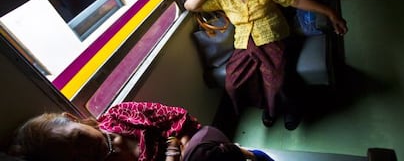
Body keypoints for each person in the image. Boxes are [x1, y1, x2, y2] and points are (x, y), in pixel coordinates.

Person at [184, 0, 348, 128]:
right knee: (232, 83)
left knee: (276, 80)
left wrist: (330, 12)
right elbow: (190, 5)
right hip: (244, 43)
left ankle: (289, 107)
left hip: (272, 36)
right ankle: (268, 105)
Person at [7, 102, 274, 161]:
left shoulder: (120, 114)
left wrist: (175, 148)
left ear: (72, 119)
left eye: (77, 137)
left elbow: (178, 120)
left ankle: (248, 153)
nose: (85, 149)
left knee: (202, 157)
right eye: (75, 156)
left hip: (195, 140)